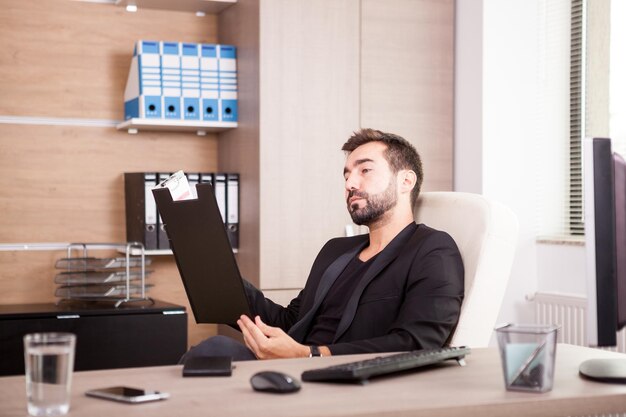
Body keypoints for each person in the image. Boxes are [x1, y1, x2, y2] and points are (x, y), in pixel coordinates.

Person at [181, 128, 464, 362]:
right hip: (297, 367)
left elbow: (418, 343)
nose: (351, 182)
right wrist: (213, 268)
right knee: (211, 354)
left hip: (350, 381)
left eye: (365, 170)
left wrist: (310, 354)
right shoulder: (336, 251)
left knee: (214, 351)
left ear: (406, 181)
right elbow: (291, 321)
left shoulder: (433, 249)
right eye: (346, 175)